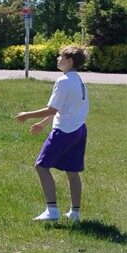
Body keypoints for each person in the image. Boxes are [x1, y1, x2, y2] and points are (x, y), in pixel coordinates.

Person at [16, 46, 89, 222]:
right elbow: (64, 109)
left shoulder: (63, 81)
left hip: (64, 131)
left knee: (41, 166)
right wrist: (42, 124)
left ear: (69, 61)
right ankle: (75, 213)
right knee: (72, 171)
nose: (58, 59)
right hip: (79, 130)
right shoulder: (79, 81)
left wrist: (27, 115)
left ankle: (52, 210)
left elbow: (52, 109)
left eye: (61, 56)